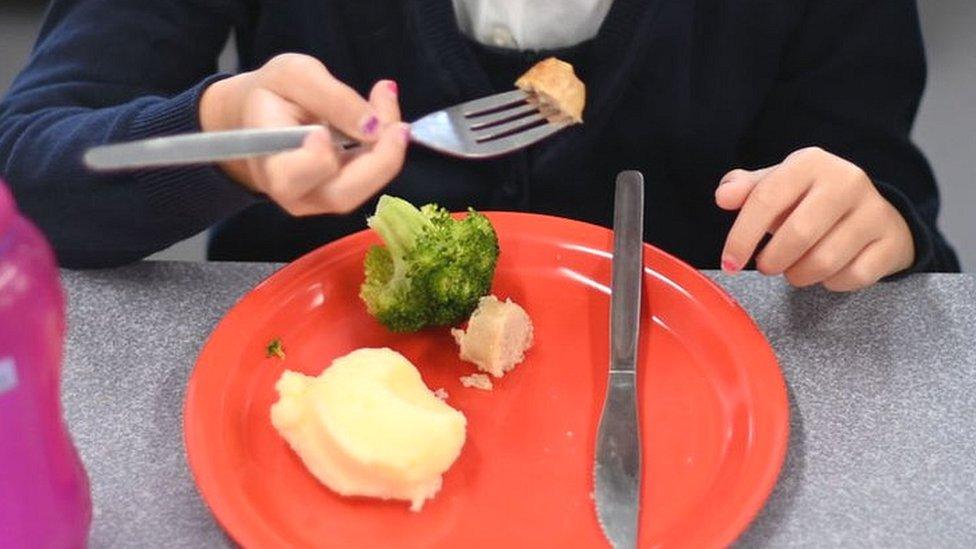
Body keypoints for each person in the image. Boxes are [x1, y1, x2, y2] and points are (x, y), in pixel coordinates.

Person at [0, 0, 960, 291]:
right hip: (308, 410)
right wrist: (211, 136)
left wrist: (874, 227)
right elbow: (30, 171)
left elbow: (895, 219)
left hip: (676, 428)